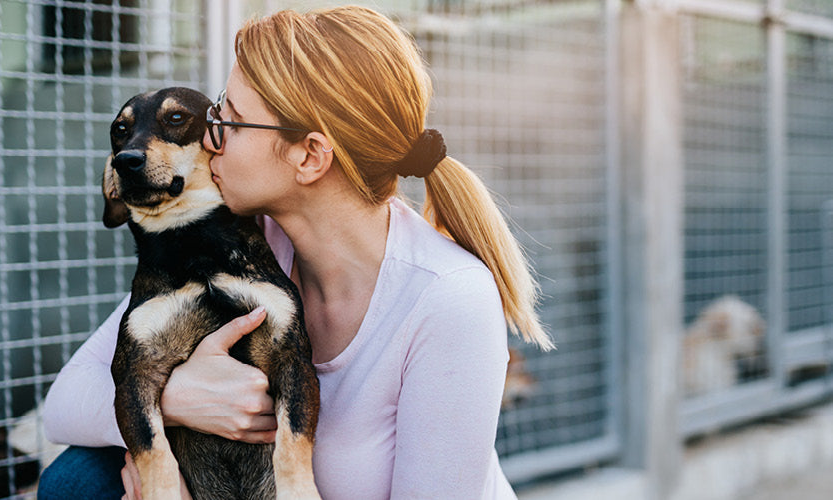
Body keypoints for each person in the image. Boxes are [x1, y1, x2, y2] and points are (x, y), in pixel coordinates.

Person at [39, 6, 553, 500]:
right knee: (79, 476)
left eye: (232, 121)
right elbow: (64, 405)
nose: (209, 140)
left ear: (309, 156)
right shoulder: (250, 237)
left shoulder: (447, 298)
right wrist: (178, 400)